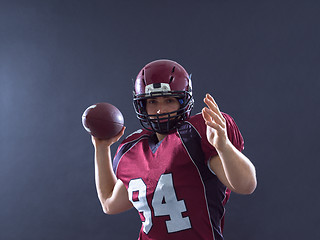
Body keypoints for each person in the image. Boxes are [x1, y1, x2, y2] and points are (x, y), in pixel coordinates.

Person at [91, 59, 257, 240]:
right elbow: (109, 203)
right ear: (142, 105)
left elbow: (246, 185)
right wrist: (101, 148)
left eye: (169, 100)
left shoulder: (196, 135)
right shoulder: (132, 148)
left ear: (183, 102)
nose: (160, 110)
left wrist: (224, 147)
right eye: (152, 101)